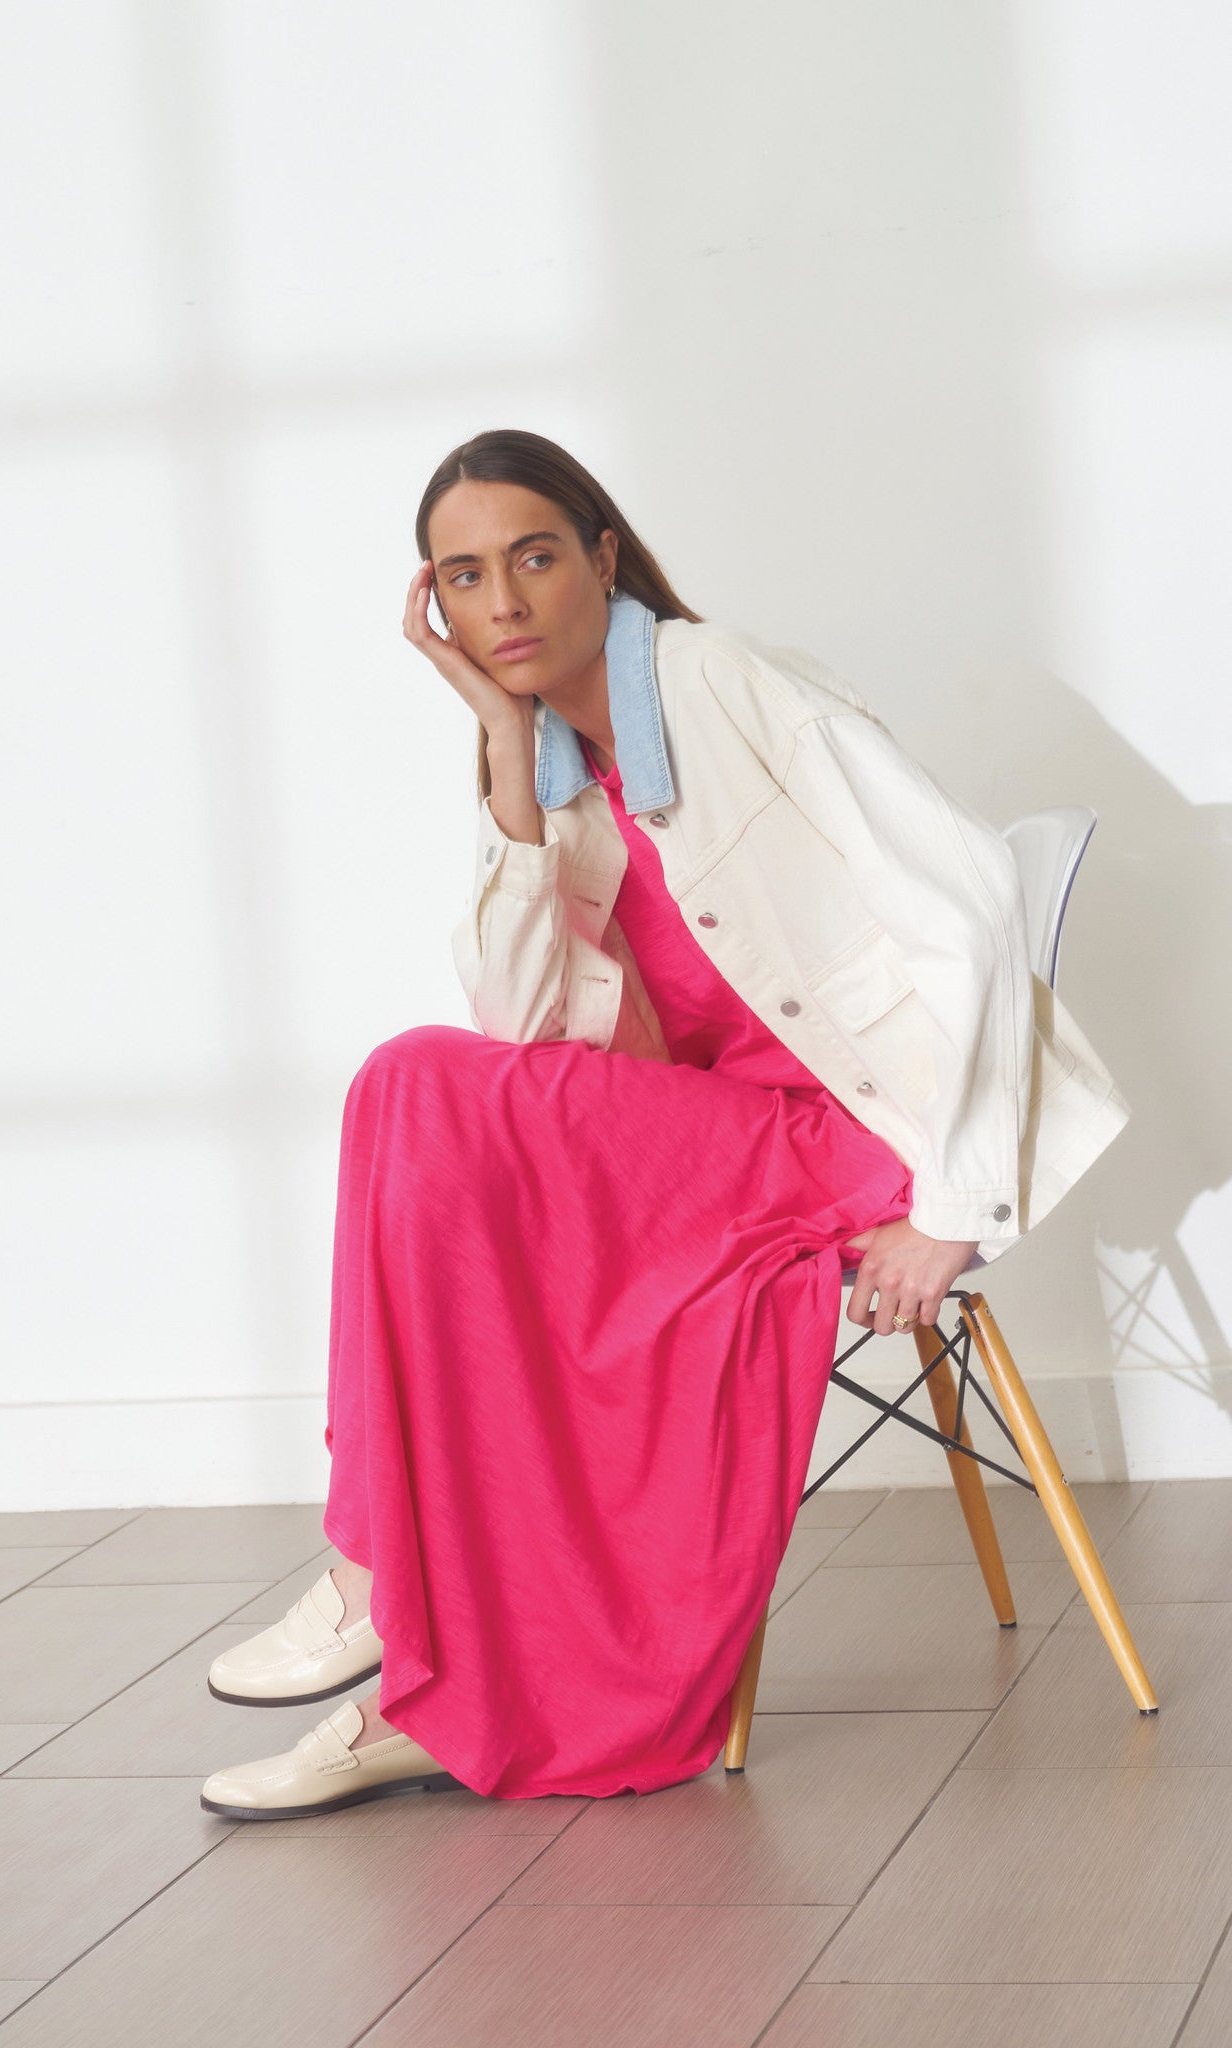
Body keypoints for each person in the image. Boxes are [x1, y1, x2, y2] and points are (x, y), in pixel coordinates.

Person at [199, 428, 1130, 1821]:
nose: (503, 602)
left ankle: (382, 1589)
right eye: (464, 577)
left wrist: (951, 1210)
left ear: (602, 556)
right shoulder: (558, 763)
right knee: (428, 1106)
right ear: (435, 606)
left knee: (413, 1084)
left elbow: (976, 898)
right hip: (724, 1141)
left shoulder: (717, 681)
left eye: (531, 557)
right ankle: (429, 1672)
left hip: (856, 1133)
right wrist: (503, 746)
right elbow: (523, 1027)